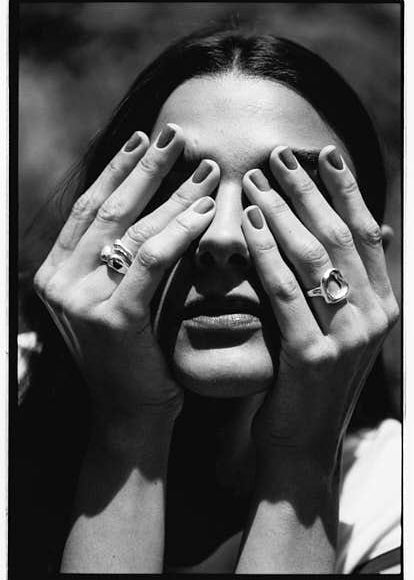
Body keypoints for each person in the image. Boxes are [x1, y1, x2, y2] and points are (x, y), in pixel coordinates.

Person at [20, 26, 401, 574]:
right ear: (107, 222)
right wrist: (130, 427)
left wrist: (305, 457)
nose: (223, 238)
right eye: (180, 186)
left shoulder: (392, 500)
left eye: (287, 193)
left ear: (366, 260)